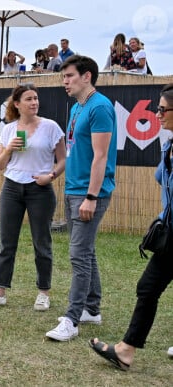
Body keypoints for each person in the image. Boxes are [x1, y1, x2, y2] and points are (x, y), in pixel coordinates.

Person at [89, 83, 173, 370]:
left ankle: (125, 349)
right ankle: (125, 351)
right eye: (157, 108)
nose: (157, 114)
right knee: (147, 288)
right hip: (170, 233)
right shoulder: (168, 145)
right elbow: (161, 179)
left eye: (162, 109)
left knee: (148, 288)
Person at [46, 55, 117, 341]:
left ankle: (72, 320)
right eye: (63, 76)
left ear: (86, 76)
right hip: (73, 190)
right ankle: (92, 309)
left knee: (78, 256)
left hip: (90, 194)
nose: (65, 81)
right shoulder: (77, 107)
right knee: (85, 252)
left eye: (70, 76)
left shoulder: (100, 107)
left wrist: (91, 196)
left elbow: (101, 156)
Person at [0, 85, 66, 311]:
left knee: (41, 242)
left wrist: (51, 176)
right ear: (17, 104)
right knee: (6, 242)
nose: (34, 102)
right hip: (12, 188)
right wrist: (8, 150)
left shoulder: (51, 127)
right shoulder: (8, 130)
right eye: (29, 99)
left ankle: (43, 293)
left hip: (40, 189)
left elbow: (63, 159)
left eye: (36, 98)